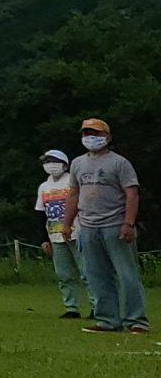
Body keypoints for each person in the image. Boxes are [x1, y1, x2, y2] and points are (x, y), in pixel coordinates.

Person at [65, 118, 144, 335]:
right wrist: (67, 223)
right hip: (88, 226)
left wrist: (128, 223)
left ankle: (136, 320)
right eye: (87, 133)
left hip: (115, 224)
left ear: (107, 137)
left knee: (127, 274)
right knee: (96, 275)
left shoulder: (119, 163)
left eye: (96, 133)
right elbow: (73, 194)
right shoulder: (78, 163)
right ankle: (107, 320)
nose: (91, 137)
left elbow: (132, 193)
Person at [36, 148, 85, 321]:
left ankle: (98, 306)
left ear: (64, 164)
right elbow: (40, 213)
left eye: (54, 161)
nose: (50, 165)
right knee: (64, 274)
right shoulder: (44, 187)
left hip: (77, 233)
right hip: (55, 235)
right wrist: (43, 239)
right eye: (46, 162)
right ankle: (71, 307)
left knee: (87, 272)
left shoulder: (73, 181)